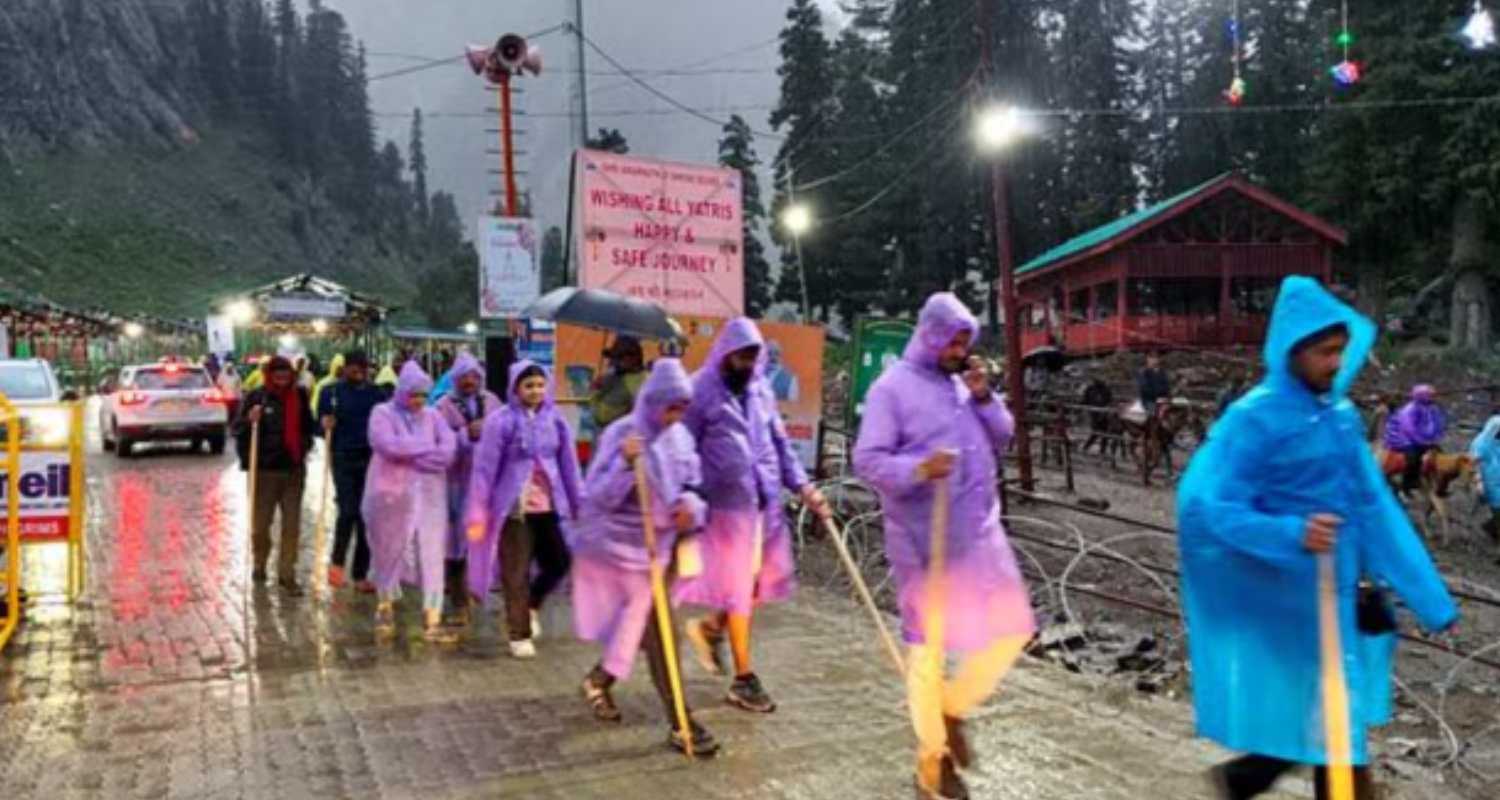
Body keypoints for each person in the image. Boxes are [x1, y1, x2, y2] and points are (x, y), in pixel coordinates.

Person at [1178, 277, 1458, 800]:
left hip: (1340, 597)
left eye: (1340, 351)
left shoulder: (1341, 418)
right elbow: (1206, 506)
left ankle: (1245, 778)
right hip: (1283, 604)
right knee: (1331, 728)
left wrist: (1430, 598)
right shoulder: (1252, 420)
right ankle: (1248, 777)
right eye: (1325, 352)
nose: (1335, 363)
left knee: (1329, 725)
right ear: (1292, 350)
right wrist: (1289, 533)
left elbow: (1374, 508)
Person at [853, 293, 1036, 800]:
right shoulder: (893, 388)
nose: (961, 349)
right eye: (953, 340)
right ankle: (932, 761)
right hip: (923, 541)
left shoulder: (962, 385)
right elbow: (866, 459)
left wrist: (984, 397)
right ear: (931, 335)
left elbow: (1003, 438)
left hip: (981, 533)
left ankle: (951, 708)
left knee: (1014, 630)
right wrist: (918, 470)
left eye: (965, 341)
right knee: (927, 652)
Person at [677, 318, 830, 714]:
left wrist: (805, 488)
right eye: (741, 356)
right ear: (725, 354)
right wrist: (685, 495)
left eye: (752, 356)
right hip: (724, 510)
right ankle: (744, 679)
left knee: (760, 586)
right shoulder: (699, 390)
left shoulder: (761, 390)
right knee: (741, 590)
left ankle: (711, 628)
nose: (747, 364)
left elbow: (780, 444)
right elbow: (682, 448)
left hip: (764, 503)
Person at [571, 358, 719, 756]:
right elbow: (596, 497)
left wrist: (689, 507)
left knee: (643, 632)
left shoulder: (681, 438)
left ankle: (599, 680)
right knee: (662, 636)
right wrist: (624, 462)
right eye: (671, 407)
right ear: (653, 401)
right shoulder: (622, 434)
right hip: (620, 555)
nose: (676, 416)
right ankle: (681, 722)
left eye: (683, 408)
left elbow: (693, 486)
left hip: (662, 552)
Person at [464, 360, 583, 658]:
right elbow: (485, 469)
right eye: (529, 385)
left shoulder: (556, 421)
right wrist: (479, 509)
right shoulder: (500, 422)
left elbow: (570, 466)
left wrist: (580, 502)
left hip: (548, 506)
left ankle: (531, 605)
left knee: (559, 562)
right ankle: (518, 633)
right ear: (516, 388)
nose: (535, 391)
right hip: (513, 509)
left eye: (540, 385)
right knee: (515, 572)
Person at [364, 362, 457, 640]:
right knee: (388, 549)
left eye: (422, 395)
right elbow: (386, 445)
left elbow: (448, 450)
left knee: (432, 552)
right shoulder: (382, 412)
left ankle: (433, 618)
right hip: (390, 495)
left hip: (430, 495)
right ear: (402, 391)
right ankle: (385, 604)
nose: (417, 401)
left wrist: (411, 455)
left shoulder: (433, 416)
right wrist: (427, 450)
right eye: (413, 394)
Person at [234, 356, 317, 596]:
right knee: (261, 525)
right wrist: (250, 421)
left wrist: (309, 441)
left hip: (293, 470)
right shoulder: (256, 396)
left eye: (286, 372)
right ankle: (260, 561)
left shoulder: (300, 396)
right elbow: (237, 429)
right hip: (265, 471)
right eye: (277, 372)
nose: (282, 377)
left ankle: (287, 573)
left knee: (292, 525)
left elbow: (308, 426)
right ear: (269, 374)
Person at [434, 353, 502, 618]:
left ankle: (481, 587)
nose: (470, 381)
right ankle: (457, 593)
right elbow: (439, 445)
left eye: (474, 376)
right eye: (464, 376)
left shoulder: (493, 402)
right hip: (454, 483)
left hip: (486, 482)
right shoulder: (442, 406)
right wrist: (464, 435)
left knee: (484, 535)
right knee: (455, 540)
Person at [317, 351, 384, 592]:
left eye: (362, 367)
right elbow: (318, 424)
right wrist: (324, 423)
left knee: (366, 515)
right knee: (348, 511)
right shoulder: (331, 392)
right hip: (342, 456)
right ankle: (336, 563)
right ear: (344, 368)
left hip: (370, 458)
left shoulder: (376, 393)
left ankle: (360, 574)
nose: (358, 371)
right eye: (353, 367)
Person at [1384, 384, 1446, 495]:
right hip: (1406, 440)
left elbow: (1438, 424)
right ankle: (1408, 483)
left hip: (1427, 441)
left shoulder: (1433, 409)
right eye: (1430, 396)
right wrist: (1420, 441)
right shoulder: (1410, 410)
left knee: (1442, 457)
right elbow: (1408, 429)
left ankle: (1441, 485)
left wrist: (1436, 437)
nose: (1433, 398)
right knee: (1413, 458)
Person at [589, 336, 647, 430]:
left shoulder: (625, 387)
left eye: (617, 358)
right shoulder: (647, 376)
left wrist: (595, 391)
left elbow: (601, 416)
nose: (612, 362)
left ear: (632, 359)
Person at [1468, 410, 1500, 547]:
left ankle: (1491, 527)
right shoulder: (1481, 444)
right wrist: (1478, 482)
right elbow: (1473, 465)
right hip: (1490, 482)